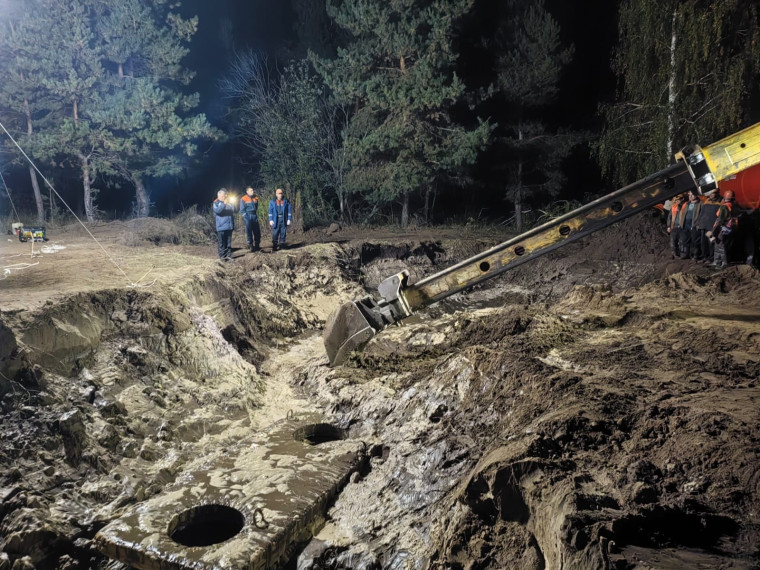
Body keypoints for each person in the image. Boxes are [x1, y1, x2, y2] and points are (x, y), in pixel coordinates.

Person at [695, 188, 721, 263]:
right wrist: (698, 223)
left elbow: (720, 215)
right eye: (710, 193)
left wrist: (716, 226)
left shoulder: (720, 202)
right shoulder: (707, 200)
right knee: (703, 243)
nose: (711, 195)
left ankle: (711, 258)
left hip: (711, 227)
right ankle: (704, 257)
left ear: (717, 193)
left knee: (711, 243)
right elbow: (702, 213)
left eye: (713, 193)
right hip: (704, 226)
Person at [677, 190, 702, 259]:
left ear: (696, 195)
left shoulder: (700, 204)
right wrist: (680, 223)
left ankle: (695, 255)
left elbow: (701, 215)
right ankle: (685, 254)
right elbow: (682, 214)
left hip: (694, 225)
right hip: (685, 225)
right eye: (689, 195)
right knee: (685, 240)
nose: (690, 197)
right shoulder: (687, 204)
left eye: (692, 195)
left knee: (695, 241)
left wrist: (697, 224)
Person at [213, 188, 236, 261]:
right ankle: (222, 257)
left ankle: (228, 256)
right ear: (219, 196)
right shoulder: (216, 203)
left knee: (228, 243)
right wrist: (224, 204)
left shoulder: (228, 202)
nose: (225, 197)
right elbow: (218, 211)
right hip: (221, 227)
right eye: (223, 196)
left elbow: (234, 210)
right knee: (221, 243)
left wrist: (232, 203)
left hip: (229, 226)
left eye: (225, 196)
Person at [240, 186, 261, 252]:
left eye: (253, 190)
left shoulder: (255, 198)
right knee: (249, 230)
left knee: (257, 230)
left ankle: (257, 245)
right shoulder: (243, 199)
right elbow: (242, 210)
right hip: (248, 215)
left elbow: (256, 206)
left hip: (254, 215)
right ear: (247, 191)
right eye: (251, 190)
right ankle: (251, 245)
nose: (252, 191)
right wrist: (246, 217)